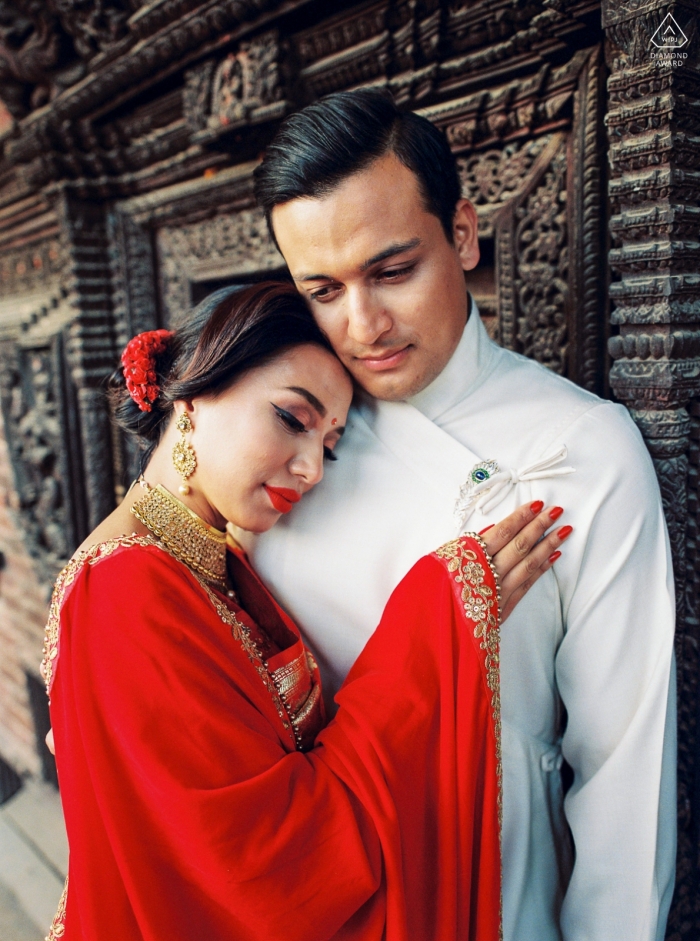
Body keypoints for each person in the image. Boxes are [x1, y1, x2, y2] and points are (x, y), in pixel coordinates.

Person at [249, 90, 677, 941]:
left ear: (466, 233)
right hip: (303, 898)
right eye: (323, 289)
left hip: (490, 900)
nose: (362, 325)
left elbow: (624, 771)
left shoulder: (581, 447)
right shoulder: (280, 432)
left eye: (393, 270)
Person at [43, 281, 569, 941]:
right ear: (196, 394)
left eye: (330, 442)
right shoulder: (123, 593)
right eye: (292, 419)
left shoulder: (205, 559)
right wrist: (436, 614)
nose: (313, 467)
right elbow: (273, 870)